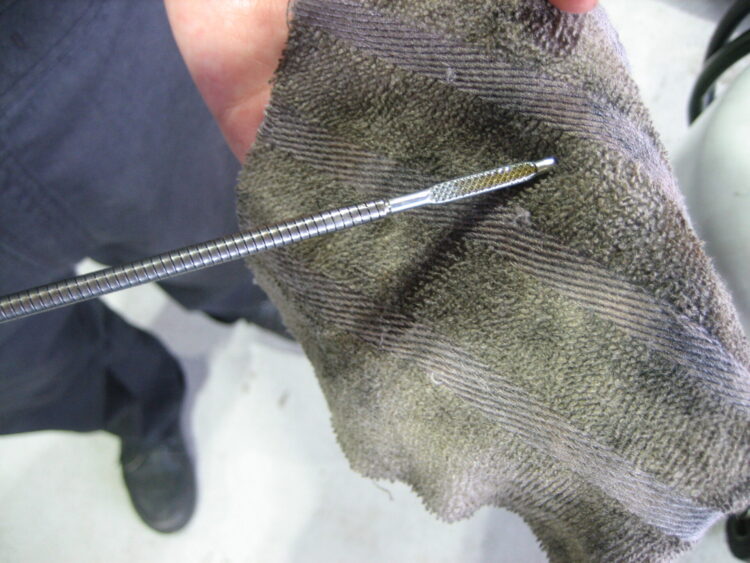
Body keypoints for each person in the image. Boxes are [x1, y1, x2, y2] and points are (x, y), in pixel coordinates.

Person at [0, 0, 597, 535]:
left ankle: (255, 298)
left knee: (213, 227)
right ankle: (135, 409)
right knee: (24, 373)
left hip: (49, 43)